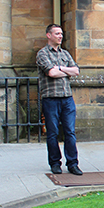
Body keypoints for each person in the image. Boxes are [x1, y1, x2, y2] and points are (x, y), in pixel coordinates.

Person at [36, 24, 83, 175]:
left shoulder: (65, 53)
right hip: (51, 98)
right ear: (48, 35)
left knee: (70, 132)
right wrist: (65, 70)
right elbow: (51, 73)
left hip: (67, 98)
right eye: (57, 33)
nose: (60, 36)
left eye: (61, 34)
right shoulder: (42, 54)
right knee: (52, 132)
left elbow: (76, 71)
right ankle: (55, 163)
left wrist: (60, 68)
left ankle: (73, 163)